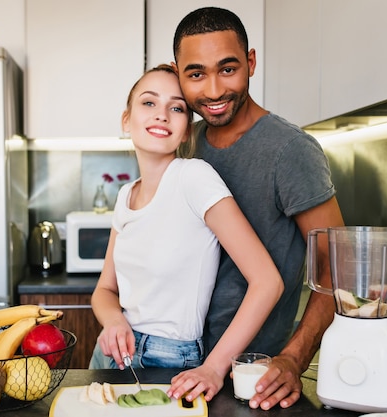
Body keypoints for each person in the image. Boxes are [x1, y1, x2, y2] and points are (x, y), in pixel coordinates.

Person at [167, 7, 345, 410]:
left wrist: (293, 359)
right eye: (196, 74)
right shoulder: (184, 144)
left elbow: (337, 269)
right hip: (179, 368)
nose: (213, 90)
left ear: (250, 62)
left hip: (254, 382)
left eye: (227, 69)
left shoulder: (290, 151)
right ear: (178, 73)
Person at [89, 64, 284, 396]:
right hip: (110, 354)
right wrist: (113, 321)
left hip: (169, 362)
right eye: (149, 103)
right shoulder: (125, 195)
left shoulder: (193, 178)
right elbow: (104, 291)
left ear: (186, 130)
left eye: (176, 107)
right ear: (126, 120)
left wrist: (214, 367)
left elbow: (268, 282)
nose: (162, 114)